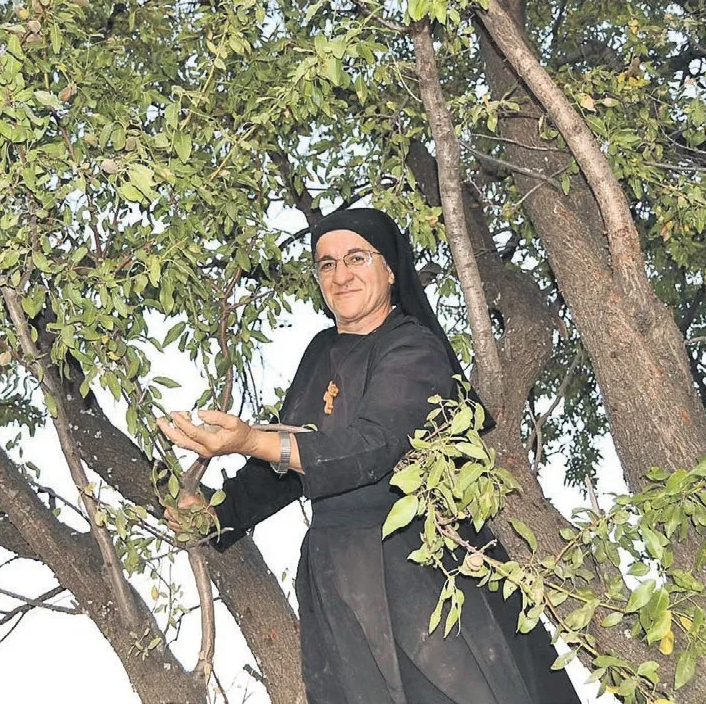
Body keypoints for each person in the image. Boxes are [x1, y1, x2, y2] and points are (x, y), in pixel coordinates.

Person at [158, 208, 578, 704]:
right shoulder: (320, 351)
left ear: (391, 269)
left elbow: (372, 446)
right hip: (340, 580)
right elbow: (289, 462)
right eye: (326, 264)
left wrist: (252, 439)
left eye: (356, 257)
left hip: (420, 569)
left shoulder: (414, 348)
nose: (341, 275)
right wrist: (216, 515)